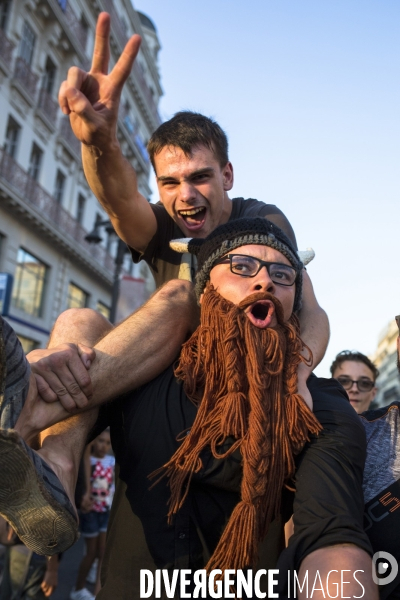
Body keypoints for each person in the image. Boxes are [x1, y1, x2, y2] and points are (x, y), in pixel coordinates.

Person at [1, 219, 377, 600]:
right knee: (77, 320)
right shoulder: (144, 371)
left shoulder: (315, 402)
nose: (264, 282)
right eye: (242, 266)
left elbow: (333, 541)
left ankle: (26, 405)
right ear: (206, 287)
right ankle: (51, 462)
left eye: (282, 274)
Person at [70, 429, 115, 600]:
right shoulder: (88, 461)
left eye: (107, 443)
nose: (103, 446)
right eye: (100, 441)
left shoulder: (111, 461)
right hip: (90, 513)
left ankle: (97, 593)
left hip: (105, 511)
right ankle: (77, 588)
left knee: (102, 553)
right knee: (91, 552)